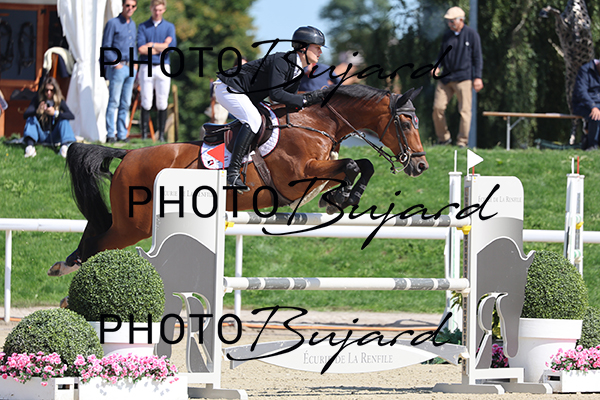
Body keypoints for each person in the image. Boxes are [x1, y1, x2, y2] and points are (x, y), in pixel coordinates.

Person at [214, 26, 326, 191]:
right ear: (303, 47)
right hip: (228, 88)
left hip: (245, 94)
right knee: (253, 120)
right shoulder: (283, 61)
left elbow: (288, 100)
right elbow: (276, 94)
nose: (320, 52)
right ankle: (232, 173)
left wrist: (313, 102)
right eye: (317, 47)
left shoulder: (297, 70)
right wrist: (306, 98)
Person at [431, 6, 483, 148]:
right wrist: (437, 66)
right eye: (448, 21)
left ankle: (462, 142)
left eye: (452, 21)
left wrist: (478, 77)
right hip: (446, 78)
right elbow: (441, 55)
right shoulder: (447, 35)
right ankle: (443, 139)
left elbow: (477, 58)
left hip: (464, 78)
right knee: (437, 108)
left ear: (461, 20)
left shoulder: (472, 35)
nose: (450, 24)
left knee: (465, 111)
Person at [137, 0, 176, 141]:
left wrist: (151, 45)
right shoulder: (143, 26)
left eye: (160, 10)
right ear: (151, 8)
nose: (157, 12)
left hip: (163, 66)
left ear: (164, 10)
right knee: (146, 100)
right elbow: (141, 48)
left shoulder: (169, 27)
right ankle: (144, 135)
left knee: (162, 100)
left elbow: (170, 47)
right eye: (155, 9)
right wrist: (162, 46)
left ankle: (161, 136)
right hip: (146, 65)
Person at [101, 0, 138, 143]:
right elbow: (106, 47)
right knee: (114, 101)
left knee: (126, 103)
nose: (130, 8)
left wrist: (135, 64)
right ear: (123, 6)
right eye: (127, 5)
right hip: (118, 67)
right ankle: (111, 134)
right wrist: (116, 63)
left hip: (130, 67)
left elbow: (133, 46)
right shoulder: (113, 23)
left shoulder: (132, 24)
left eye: (133, 6)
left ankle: (122, 134)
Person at [22, 77, 76, 158]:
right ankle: (30, 147)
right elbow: (25, 114)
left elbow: (71, 116)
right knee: (31, 118)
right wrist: (37, 112)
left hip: (54, 135)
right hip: (40, 133)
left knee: (64, 120)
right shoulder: (37, 99)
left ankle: (64, 147)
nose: (48, 92)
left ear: (55, 91)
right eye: (46, 90)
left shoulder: (59, 101)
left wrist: (55, 113)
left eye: (51, 90)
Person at [572, 59, 600, 150]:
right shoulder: (585, 70)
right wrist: (592, 106)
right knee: (596, 115)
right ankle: (592, 145)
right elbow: (581, 92)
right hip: (583, 104)